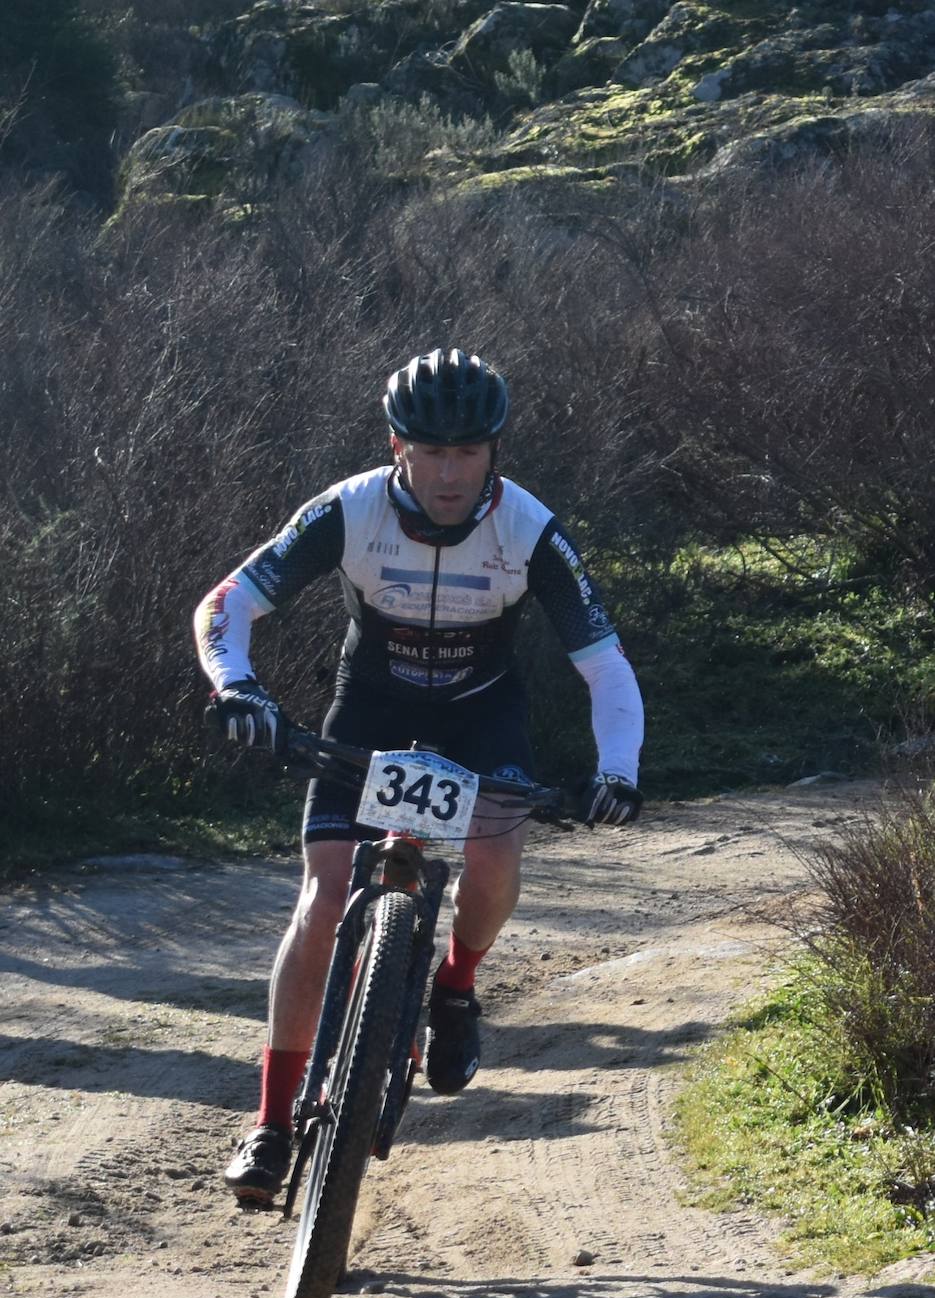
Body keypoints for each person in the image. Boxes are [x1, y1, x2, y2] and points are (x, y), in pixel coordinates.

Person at [194, 347, 644, 1205]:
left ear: (493, 452)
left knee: (495, 854)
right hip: (369, 707)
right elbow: (228, 602)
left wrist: (616, 770)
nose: (448, 473)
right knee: (323, 900)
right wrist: (237, 684)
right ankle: (271, 1123)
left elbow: (606, 665)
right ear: (397, 445)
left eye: (466, 452)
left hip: (483, 712)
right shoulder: (347, 509)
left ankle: (456, 986)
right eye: (430, 452)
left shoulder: (531, 530)